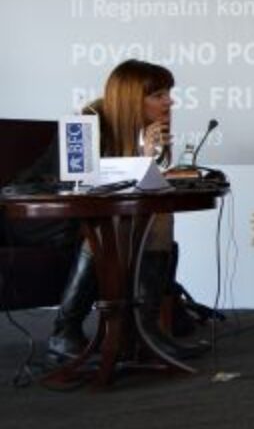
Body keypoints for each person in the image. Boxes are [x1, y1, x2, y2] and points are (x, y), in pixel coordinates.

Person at [7, 59, 203, 362]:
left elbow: (135, 191)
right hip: (40, 217)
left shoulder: (144, 130)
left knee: (158, 218)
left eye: (168, 93)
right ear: (131, 98)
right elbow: (76, 186)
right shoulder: (85, 124)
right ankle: (65, 332)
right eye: (158, 95)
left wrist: (148, 159)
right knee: (104, 226)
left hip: (89, 217)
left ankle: (146, 330)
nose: (169, 101)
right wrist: (140, 159)